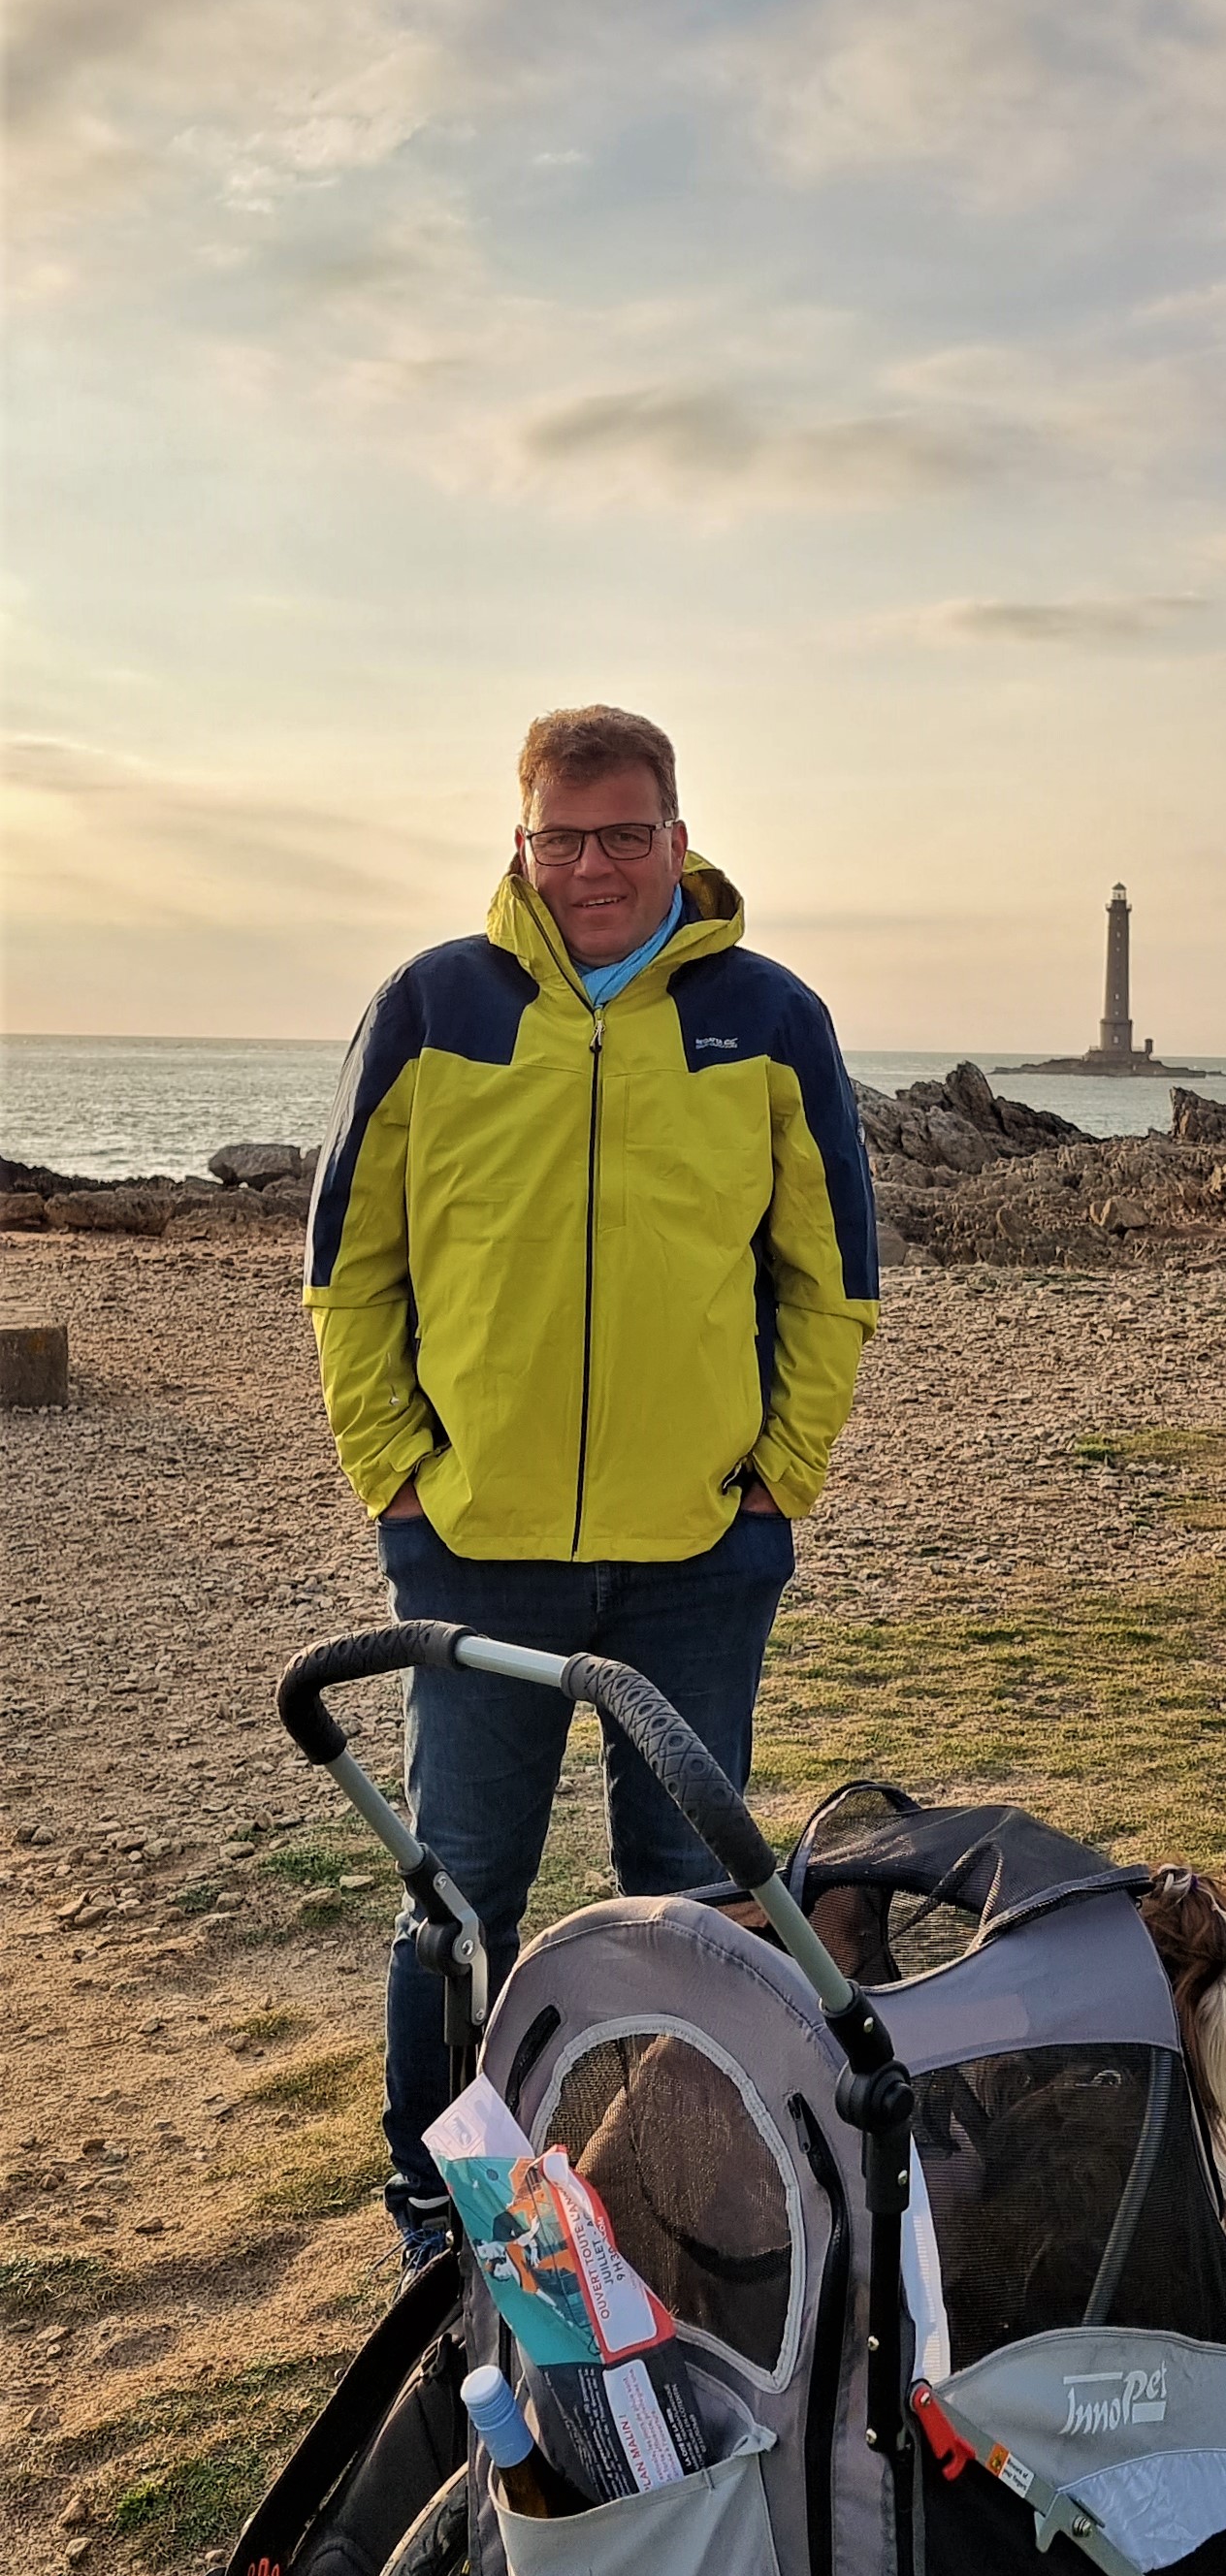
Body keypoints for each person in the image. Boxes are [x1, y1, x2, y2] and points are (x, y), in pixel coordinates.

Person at [305, 701, 877, 2268]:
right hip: (473, 1549)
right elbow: (348, 1269)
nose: (594, 867)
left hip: (699, 1554)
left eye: (625, 834)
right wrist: (395, 1472)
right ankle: (446, 2212)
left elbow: (831, 1276)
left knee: (686, 1903)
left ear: (677, 839)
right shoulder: (432, 1005)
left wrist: (779, 1476)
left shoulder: (768, 1016)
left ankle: (664, 2201)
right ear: (521, 843)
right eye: (562, 839)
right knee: (457, 1898)